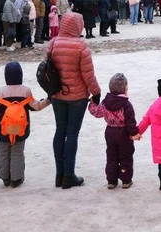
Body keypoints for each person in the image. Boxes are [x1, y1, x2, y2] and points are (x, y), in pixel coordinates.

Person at [48, 12, 101, 189]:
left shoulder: (53, 43)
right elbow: (88, 74)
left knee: (60, 131)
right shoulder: (80, 46)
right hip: (77, 96)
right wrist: (96, 92)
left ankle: (59, 174)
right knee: (72, 133)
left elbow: (47, 69)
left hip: (57, 95)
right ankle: (69, 175)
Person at [0, 62, 50, 187]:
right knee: (17, 152)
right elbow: (36, 106)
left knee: (3, 151)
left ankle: (5, 177)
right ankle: (16, 178)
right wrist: (48, 100)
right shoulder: (26, 91)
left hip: (4, 128)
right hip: (20, 128)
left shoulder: (1, 92)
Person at [89, 73, 138, 189]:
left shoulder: (106, 102)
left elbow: (97, 112)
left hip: (110, 132)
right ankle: (126, 180)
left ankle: (111, 180)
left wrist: (92, 103)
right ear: (125, 88)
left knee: (111, 156)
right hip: (124, 133)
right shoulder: (126, 104)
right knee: (125, 156)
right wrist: (134, 133)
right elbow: (131, 121)